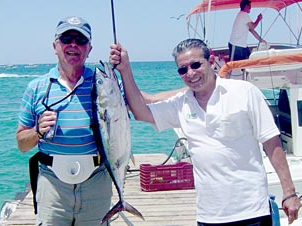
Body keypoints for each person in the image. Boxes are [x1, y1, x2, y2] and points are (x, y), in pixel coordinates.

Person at [109, 38, 301, 225]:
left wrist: (289, 192)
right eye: (183, 70)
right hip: (209, 216)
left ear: (211, 61)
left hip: (252, 211)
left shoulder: (245, 92)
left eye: (195, 65)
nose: (190, 73)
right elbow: (141, 112)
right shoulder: (180, 104)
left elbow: (271, 142)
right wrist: (125, 69)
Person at [16, 16, 184, 226]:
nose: (74, 45)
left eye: (81, 41)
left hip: (96, 181)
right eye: (67, 38)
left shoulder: (103, 83)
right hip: (53, 185)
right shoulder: (36, 88)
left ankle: (121, 199)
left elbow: (143, 101)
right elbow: (22, 144)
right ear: (55, 45)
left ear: (89, 48)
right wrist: (37, 131)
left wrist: (193, 91)